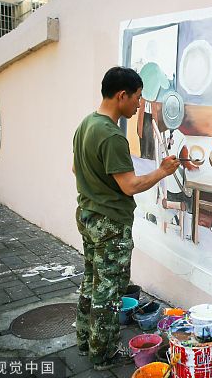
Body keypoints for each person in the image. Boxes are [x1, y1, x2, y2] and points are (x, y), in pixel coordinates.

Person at [72, 67, 181, 370]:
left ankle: (85, 341)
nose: (139, 104)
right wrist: (162, 171)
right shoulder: (111, 136)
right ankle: (103, 354)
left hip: (88, 215)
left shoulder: (86, 125)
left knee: (92, 281)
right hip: (109, 223)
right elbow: (130, 185)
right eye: (137, 97)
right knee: (109, 292)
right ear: (122, 95)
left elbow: (75, 168)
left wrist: (98, 186)